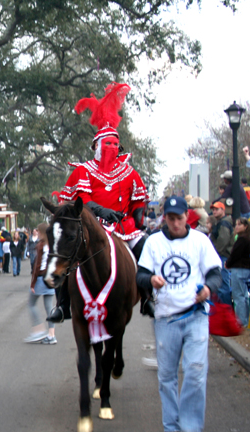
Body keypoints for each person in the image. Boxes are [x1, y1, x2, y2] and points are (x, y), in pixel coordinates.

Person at [51, 82, 150, 322]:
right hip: (92, 225)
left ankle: (148, 298)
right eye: (107, 143)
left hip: (124, 227)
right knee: (63, 254)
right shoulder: (83, 171)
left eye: (116, 144)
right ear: (96, 146)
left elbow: (138, 200)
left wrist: (139, 216)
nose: (112, 147)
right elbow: (80, 201)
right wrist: (102, 211)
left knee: (147, 249)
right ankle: (62, 304)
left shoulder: (130, 172)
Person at [136, 195, 222, 432]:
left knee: (195, 370)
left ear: (187, 217)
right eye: (170, 218)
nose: (175, 223)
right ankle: (171, 425)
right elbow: (141, 274)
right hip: (166, 318)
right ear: (164, 217)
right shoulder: (153, 243)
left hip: (195, 314)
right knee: (167, 375)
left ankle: (191, 426)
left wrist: (208, 288)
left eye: (179, 218)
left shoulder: (200, 241)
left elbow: (215, 273)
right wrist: (151, 280)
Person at [25, 223, 56, 344]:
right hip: (51, 278)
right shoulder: (53, 245)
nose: (36, 233)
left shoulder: (41, 245)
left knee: (31, 304)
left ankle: (38, 329)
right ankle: (51, 335)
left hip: (41, 278)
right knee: (49, 307)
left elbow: (36, 266)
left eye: (38, 231)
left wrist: (32, 284)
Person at [226, 217, 250, 326]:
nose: (236, 226)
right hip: (247, 269)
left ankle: (241, 321)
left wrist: (228, 263)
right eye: (236, 224)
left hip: (239, 268)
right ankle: (246, 319)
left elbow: (235, 255)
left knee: (238, 296)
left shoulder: (242, 239)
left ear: (245, 226)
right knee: (244, 295)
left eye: (239, 224)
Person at [209, 201, 234, 305]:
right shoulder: (221, 222)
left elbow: (223, 241)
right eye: (213, 209)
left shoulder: (223, 223)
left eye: (217, 209)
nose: (214, 211)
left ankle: (226, 311)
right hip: (221, 256)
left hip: (222, 256)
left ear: (223, 210)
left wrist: (215, 254)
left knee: (223, 286)